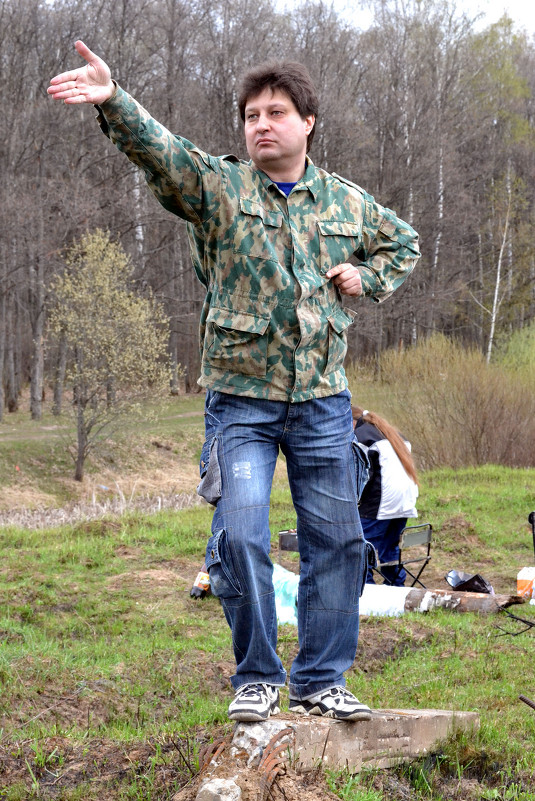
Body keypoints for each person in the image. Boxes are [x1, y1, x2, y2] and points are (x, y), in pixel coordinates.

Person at [48, 43, 420, 723]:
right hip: (240, 403)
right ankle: (256, 674)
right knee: (239, 537)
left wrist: (368, 278)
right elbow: (164, 154)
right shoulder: (220, 189)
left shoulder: (344, 202)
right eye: (251, 115)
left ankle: (320, 679)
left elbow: (404, 242)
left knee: (338, 542)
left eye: (276, 112)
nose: (261, 125)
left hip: (321, 402)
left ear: (307, 121)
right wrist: (113, 101)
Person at [352, 406, 419, 586]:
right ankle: (396, 585)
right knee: (390, 548)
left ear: (351, 422)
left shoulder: (360, 437)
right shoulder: (393, 433)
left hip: (381, 503)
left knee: (362, 549)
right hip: (405, 502)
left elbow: (363, 475)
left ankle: (366, 589)